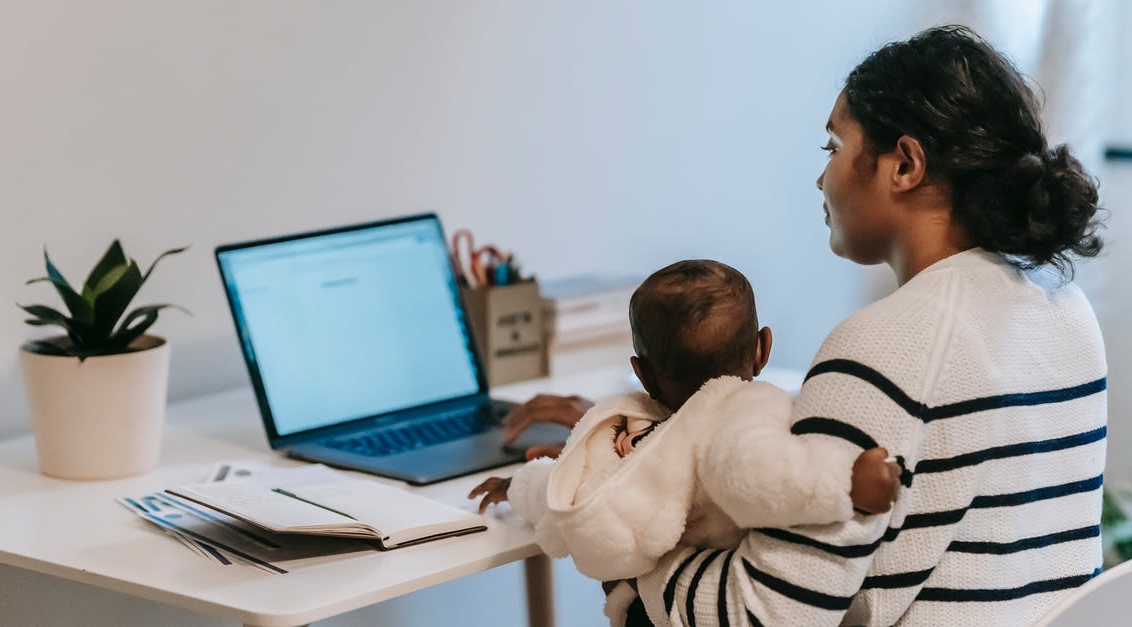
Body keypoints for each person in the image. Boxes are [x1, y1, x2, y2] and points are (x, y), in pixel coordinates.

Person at [501, 25, 1108, 625]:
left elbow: (759, 615)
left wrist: (622, 525)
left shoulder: (884, 345)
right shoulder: (1063, 309)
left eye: (833, 149)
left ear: (903, 164)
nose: (822, 179)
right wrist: (658, 442)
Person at [471, 260, 900, 626]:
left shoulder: (630, 439)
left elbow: (566, 495)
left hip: (650, 607)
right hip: (700, 600)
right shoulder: (742, 414)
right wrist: (846, 480)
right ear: (762, 349)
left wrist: (517, 486)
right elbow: (765, 477)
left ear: (642, 374)